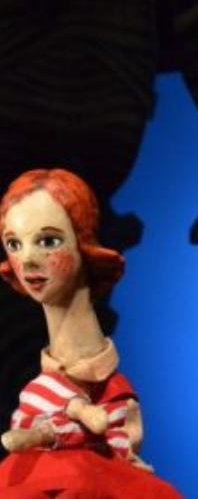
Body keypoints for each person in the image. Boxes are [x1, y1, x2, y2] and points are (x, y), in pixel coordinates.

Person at [0, 168, 181, 498]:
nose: (27, 259)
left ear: (82, 243)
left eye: (48, 241)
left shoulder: (114, 400)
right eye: (14, 244)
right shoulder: (40, 401)